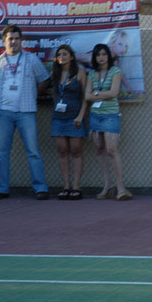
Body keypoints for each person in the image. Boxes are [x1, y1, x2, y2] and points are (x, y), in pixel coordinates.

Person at [0, 25, 51, 200]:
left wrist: (33, 93)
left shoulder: (31, 59)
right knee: (1, 151)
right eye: (10, 38)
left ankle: (40, 188)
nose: (13, 41)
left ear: (21, 40)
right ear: (4, 41)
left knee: (33, 150)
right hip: (3, 113)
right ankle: (0, 188)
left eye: (16, 38)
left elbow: (44, 80)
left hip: (26, 112)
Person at [84, 44, 132, 201]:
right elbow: (87, 96)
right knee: (99, 150)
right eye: (98, 55)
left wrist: (96, 93)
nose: (101, 57)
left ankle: (121, 187)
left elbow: (114, 93)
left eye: (104, 54)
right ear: (95, 57)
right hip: (95, 116)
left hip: (110, 115)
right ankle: (107, 185)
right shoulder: (91, 74)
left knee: (112, 150)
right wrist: (98, 95)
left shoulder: (115, 72)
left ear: (108, 56)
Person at [50, 45, 87, 200]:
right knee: (62, 151)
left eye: (65, 54)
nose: (62, 57)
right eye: (59, 55)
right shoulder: (56, 74)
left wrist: (80, 116)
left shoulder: (80, 73)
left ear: (71, 56)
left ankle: (76, 187)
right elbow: (54, 94)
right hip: (58, 119)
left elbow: (86, 97)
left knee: (76, 151)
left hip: (75, 118)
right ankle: (66, 186)